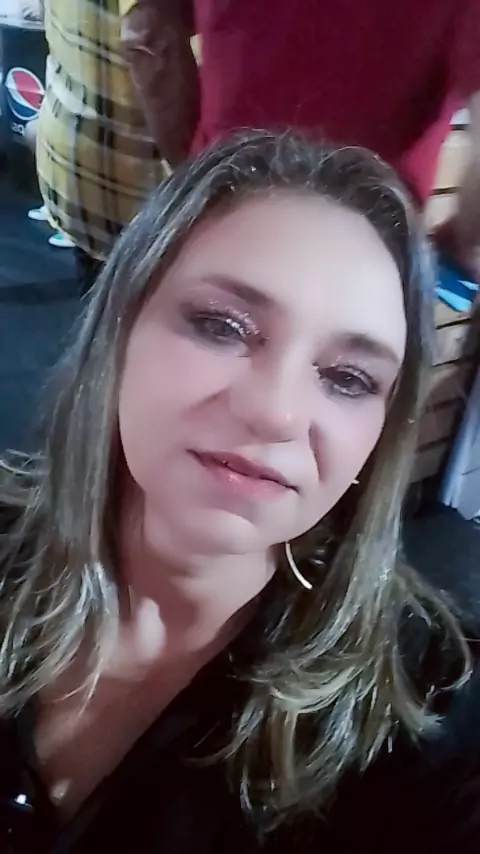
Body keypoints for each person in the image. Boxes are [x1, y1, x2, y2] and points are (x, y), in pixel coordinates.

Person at [0, 130, 473, 853]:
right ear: (118, 331)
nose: (275, 413)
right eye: (222, 326)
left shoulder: (431, 714)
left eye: (348, 379)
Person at [156, 0, 480, 282]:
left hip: (216, 213)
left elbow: (149, 35)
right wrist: (464, 237)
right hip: (367, 254)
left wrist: (194, 178)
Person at [36, 0, 197, 293]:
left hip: (78, 144)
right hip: (148, 181)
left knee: (103, 305)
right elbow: (147, 39)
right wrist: (198, 177)